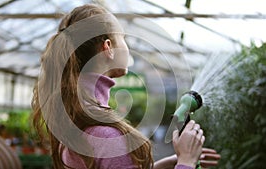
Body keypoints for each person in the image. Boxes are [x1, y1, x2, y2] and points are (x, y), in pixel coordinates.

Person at [32, 4, 220, 169]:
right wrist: (186, 162)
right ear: (108, 48)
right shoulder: (107, 137)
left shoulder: (77, 119)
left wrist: (166, 165)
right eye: (123, 38)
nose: (127, 46)